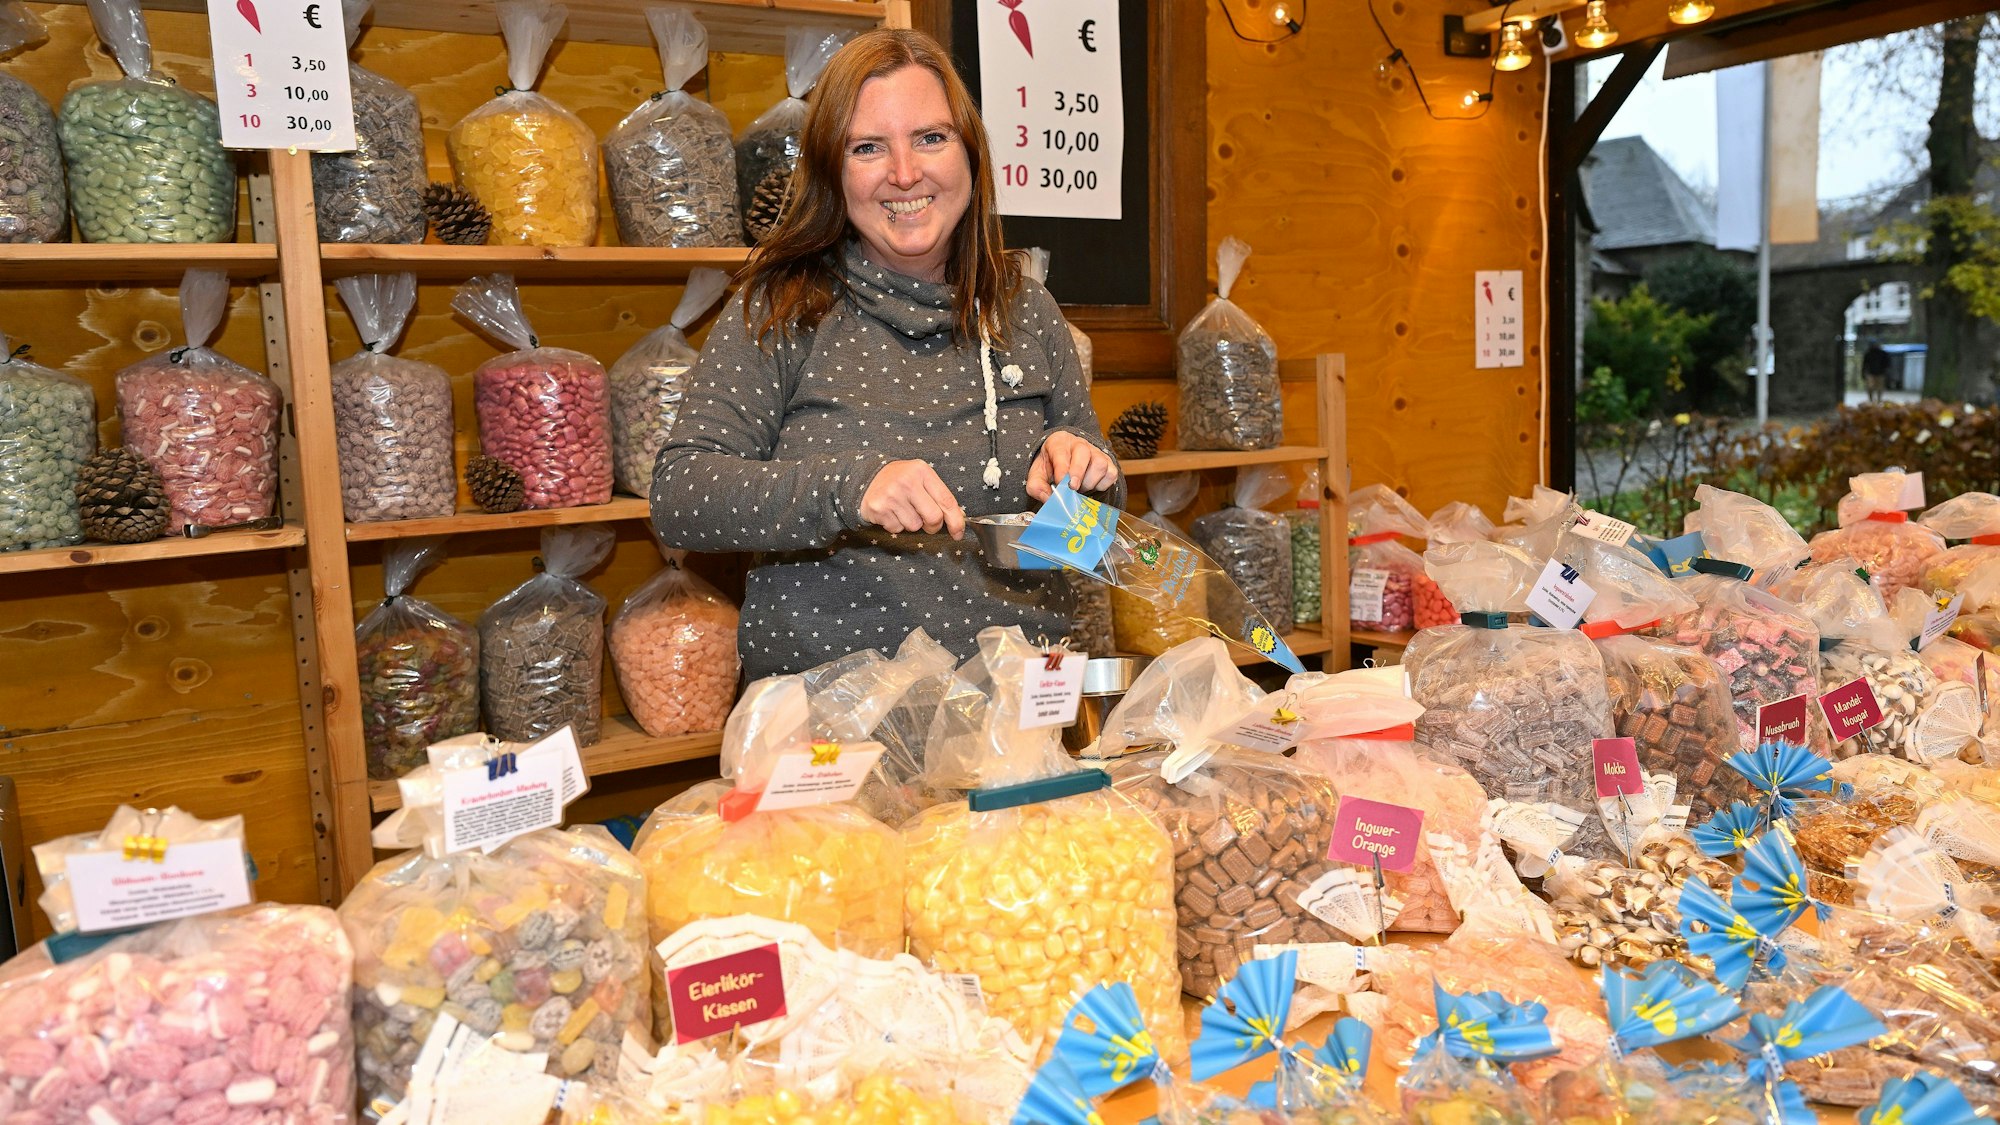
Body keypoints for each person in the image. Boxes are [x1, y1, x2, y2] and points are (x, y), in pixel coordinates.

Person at [651, 28, 1121, 680]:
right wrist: (851, 488)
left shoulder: (1026, 309)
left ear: (970, 153)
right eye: (868, 147)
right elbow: (682, 495)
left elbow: (1092, 541)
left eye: (931, 137)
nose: (905, 173)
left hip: (1019, 722)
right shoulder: (783, 307)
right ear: (832, 171)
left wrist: (1086, 475)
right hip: (833, 733)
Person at [1860, 339, 1890, 403]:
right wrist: (1863, 372)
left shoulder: (1883, 353)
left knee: (1879, 387)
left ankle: (1879, 400)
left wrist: (1885, 371)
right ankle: (1871, 400)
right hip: (1871, 373)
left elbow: (1887, 364)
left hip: (1880, 373)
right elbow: (1865, 364)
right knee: (1870, 387)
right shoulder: (1868, 353)